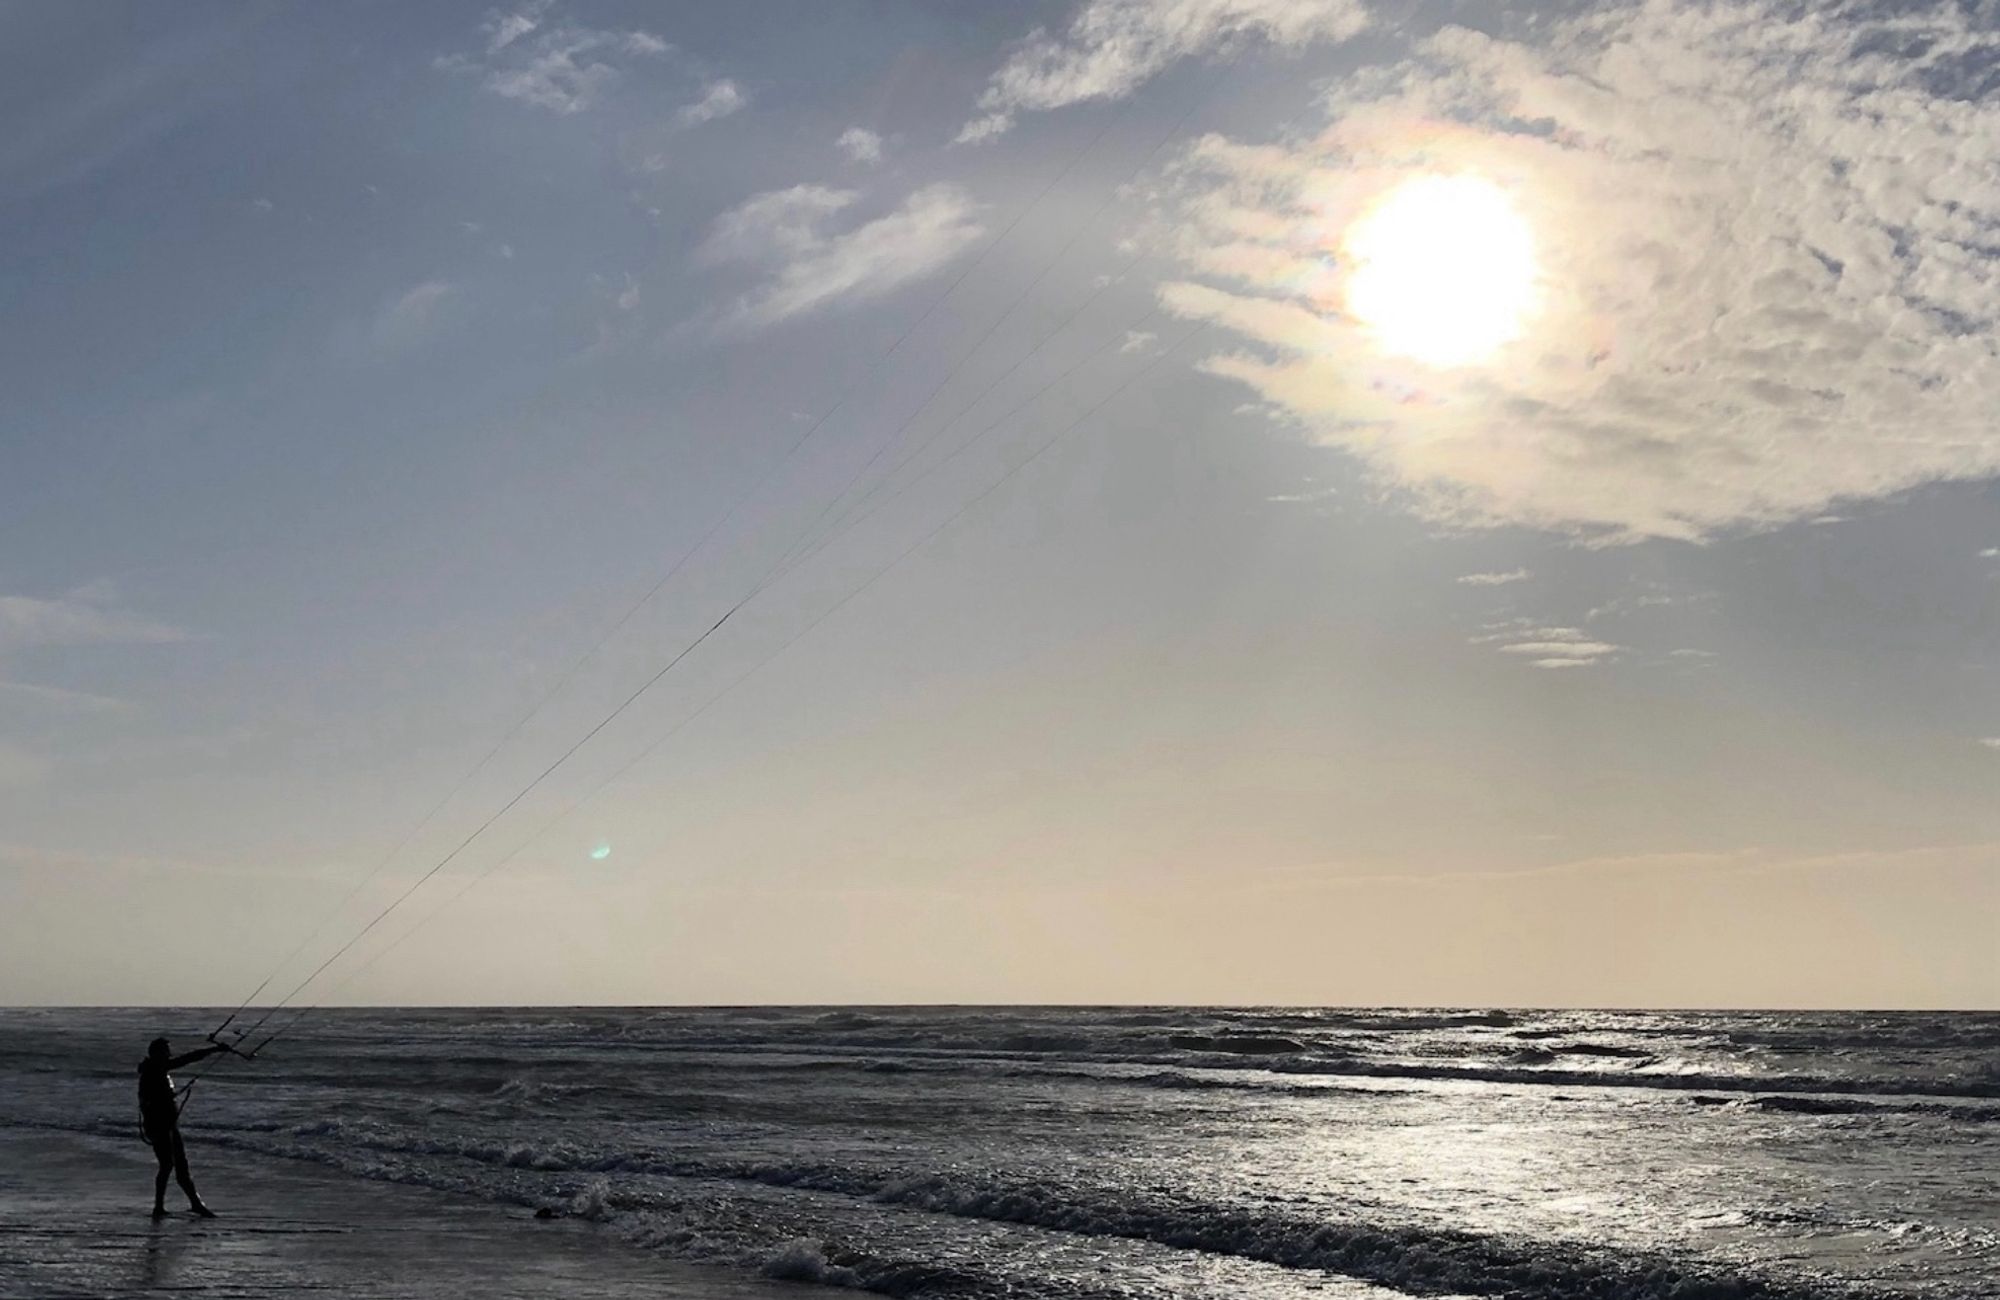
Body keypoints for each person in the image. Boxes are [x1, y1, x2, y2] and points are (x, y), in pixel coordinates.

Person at [138, 1036, 233, 1218]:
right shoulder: (154, 1069)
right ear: (157, 1053)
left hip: (167, 1126)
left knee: (179, 1165)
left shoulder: (155, 1069)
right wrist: (213, 1050)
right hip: (160, 1126)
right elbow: (186, 1059)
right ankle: (160, 1207)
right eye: (166, 1050)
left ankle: (194, 1204)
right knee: (168, 1165)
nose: (169, 1054)